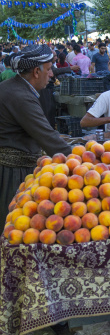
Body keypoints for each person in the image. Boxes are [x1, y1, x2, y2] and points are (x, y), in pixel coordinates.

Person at [0, 45, 72, 226]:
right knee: (13, 226)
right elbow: (47, 137)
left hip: (14, 166)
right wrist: (84, 161)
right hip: (12, 172)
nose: (52, 74)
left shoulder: (13, 87)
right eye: (48, 69)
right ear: (36, 72)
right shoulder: (20, 96)